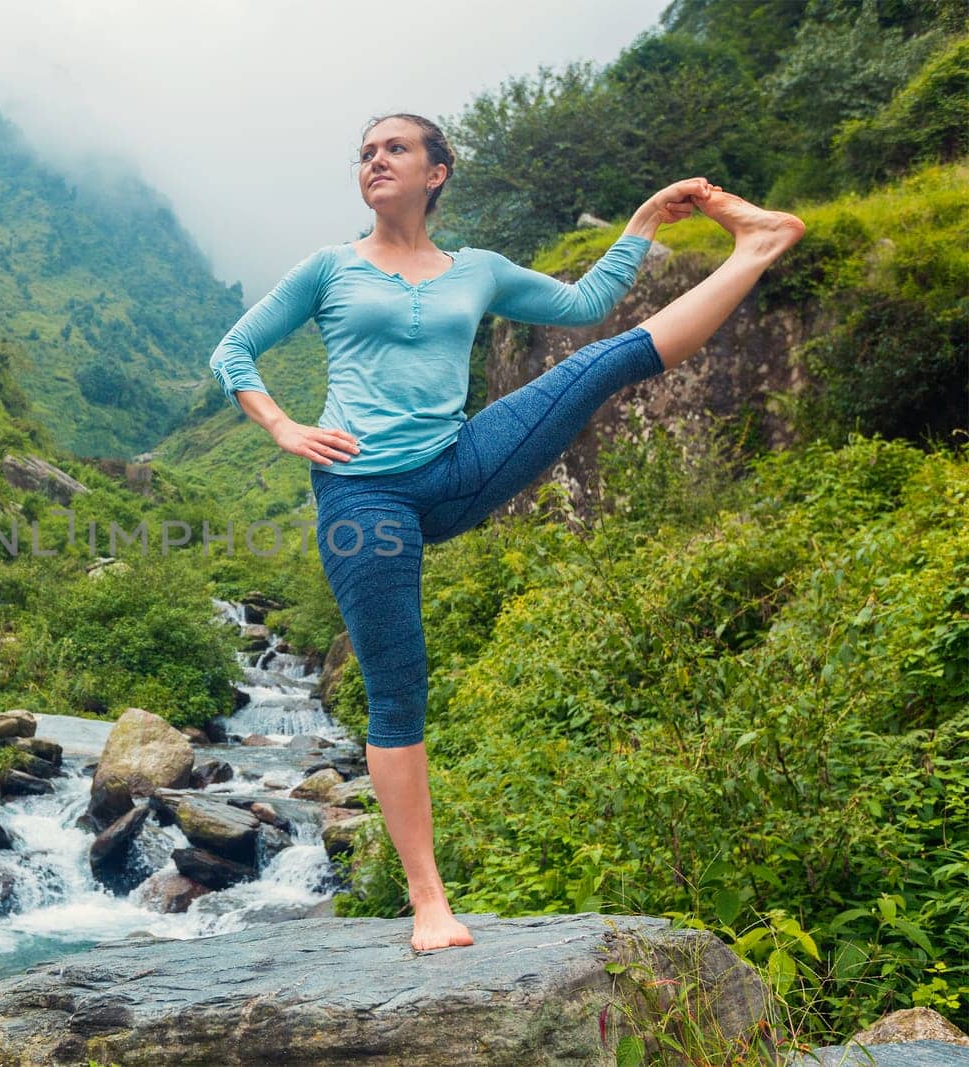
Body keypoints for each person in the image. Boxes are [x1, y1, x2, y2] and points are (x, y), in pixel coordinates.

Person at [208, 113, 804, 953]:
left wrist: (639, 225)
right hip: (361, 497)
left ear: (437, 172)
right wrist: (282, 426)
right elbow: (234, 353)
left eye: (395, 149)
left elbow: (589, 304)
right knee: (397, 683)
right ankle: (428, 903)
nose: (375, 160)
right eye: (367, 153)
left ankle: (758, 247)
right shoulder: (329, 269)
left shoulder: (477, 271)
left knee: (596, 362)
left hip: (458, 466)